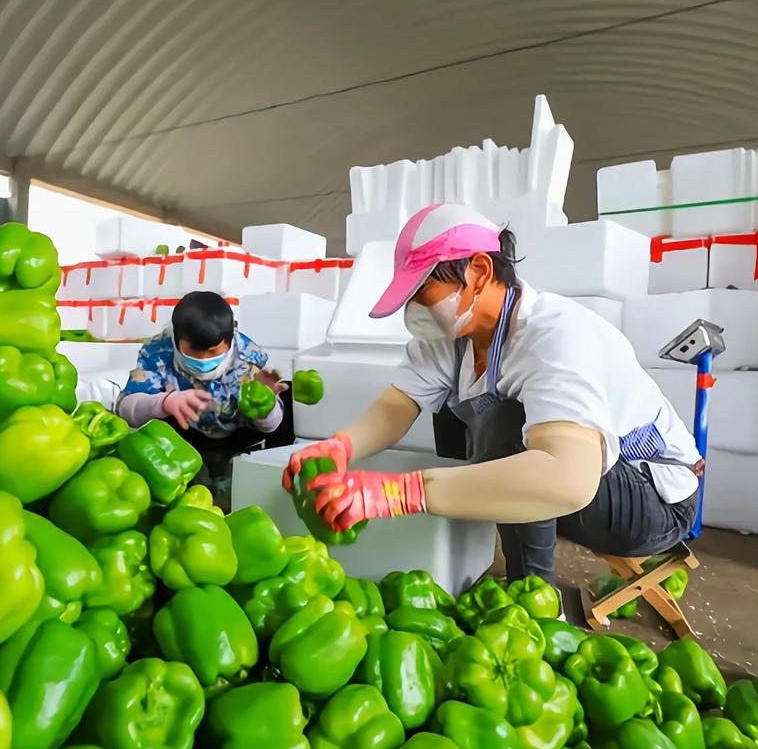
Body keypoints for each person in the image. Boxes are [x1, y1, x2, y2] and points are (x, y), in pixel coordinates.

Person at [283, 202, 701, 583]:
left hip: (652, 498)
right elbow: (399, 404)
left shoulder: (556, 335)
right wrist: (339, 447)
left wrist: (400, 493)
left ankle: (533, 593)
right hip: (586, 483)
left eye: (422, 291)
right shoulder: (453, 338)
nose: (415, 308)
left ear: (479, 272)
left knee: (505, 422)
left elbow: (569, 479)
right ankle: (466, 552)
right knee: (451, 408)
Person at [117, 290, 288, 489]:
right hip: (184, 437)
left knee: (287, 397)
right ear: (177, 339)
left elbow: (271, 426)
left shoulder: (249, 357)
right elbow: (125, 408)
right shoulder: (157, 352)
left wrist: (266, 405)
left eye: (214, 352)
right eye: (194, 352)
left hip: (238, 436)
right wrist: (164, 402)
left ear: (229, 339)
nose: (204, 360)